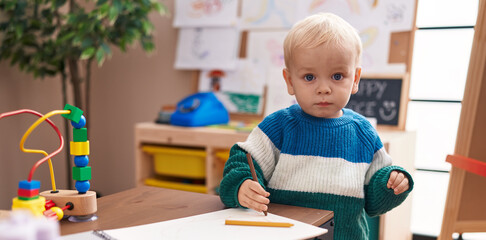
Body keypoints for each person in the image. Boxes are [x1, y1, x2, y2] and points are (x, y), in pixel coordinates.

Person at [218, 12, 414, 240]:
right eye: (309, 77)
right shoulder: (278, 126)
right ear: (290, 81)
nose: (324, 88)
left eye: (337, 76)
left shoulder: (364, 134)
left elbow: (373, 202)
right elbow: (243, 161)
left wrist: (392, 184)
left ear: (356, 79)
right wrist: (242, 186)